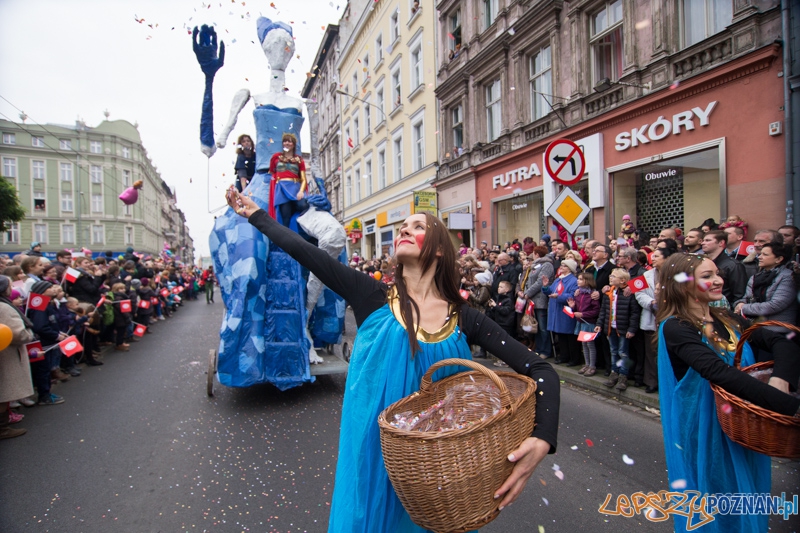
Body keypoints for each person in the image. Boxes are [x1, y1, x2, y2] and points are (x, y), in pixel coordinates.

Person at [226, 189, 560, 532]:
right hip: (374, 467)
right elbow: (306, 252)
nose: (403, 229)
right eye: (402, 226)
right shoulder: (371, 298)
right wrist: (256, 215)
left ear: (440, 249)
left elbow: (541, 370)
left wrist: (542, 439)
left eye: (416, 226)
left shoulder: (465, 320)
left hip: (438, 482)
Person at [655, 254, 800, 533]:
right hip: (705, 430)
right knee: (717, 496)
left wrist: (781, 381)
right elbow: (719, 373)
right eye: (706, 276)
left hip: (745, 423)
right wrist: (787, 406)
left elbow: (785, 344)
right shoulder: (676, 327)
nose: (718, 280)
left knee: (746, 489)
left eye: (717, 273)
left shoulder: (731, 318)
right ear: (683, 285)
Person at [634, 240, 679, 393]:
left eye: (657, 256)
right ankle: (651, 381)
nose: (653, 259)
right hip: (651, 316)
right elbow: (638, 293)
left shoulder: (677, 274)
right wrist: (651, 302)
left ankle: (669, 382)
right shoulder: (645, 274)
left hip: (672, 317)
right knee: (651, 352)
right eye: (652, 256)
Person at [0, 276, 36, 439]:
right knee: (5, 391)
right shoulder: (4, 307)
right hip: (7, 354)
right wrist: (29, 334)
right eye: (9, 285)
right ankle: (2, 428)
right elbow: (17, 333)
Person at [733, 242, 797, 332]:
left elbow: (775, 305)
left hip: (778, 329)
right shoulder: (756, 277)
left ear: (778, 259)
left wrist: (744, 307)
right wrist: (739, 304)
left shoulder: (787, 277)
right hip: (755, 328)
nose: (759, 257)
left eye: (765, 255)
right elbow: (747, 298)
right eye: (760, 254)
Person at [595, 268, 641, 391]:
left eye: (613, 276)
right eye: (610, 275)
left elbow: (634, 313)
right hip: (611, 328)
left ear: (622, 280)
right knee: (613, 351)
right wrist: (600, 323)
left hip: (623, 328)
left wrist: (632, 329)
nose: (610, 277)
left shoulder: (628, 294)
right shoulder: (608, 293)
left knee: (623, 352)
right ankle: (614, 373)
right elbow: (603, 311)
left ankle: (623, 376)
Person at [542, 259, 580, 365]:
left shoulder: (573, 280)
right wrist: (545, 287)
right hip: (556, 310)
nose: (561, 267)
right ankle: (564, 356)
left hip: (565, 311)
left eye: (565, 265)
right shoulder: (558, 280)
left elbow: (573, 295)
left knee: (570, 336)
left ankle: (574, 358)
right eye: (561, 265)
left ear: (570, 268)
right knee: (561, 335)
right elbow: (551, 291)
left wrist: (559, 296)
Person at [268, 133, 308, 227]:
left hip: (295, 188)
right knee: (285, 217)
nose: (287, 143)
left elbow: (303, 178)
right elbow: (272, 173)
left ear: (293, 144)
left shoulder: (299, 160)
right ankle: (285, 239)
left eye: (289, 141)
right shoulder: (276, 157)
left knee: (303, 206)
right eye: (285, 141)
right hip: (282, 189)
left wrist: (301, 191)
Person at [522, 246, 554, 358]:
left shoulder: (547, 265)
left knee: (543, 328)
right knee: (537, 328)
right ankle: (539, 348)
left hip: (541, 300)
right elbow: (529, 281)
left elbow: (540, 281)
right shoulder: (535, 265)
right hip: (532, 300)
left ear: (536, 254)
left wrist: (528, 293)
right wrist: (526, 292)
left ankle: (546, 351)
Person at [701, 230, 747, 305]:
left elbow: (739, 294)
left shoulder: (733, 265)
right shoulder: (704, 263)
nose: (703, 243)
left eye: (708, 240)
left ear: (721, 243)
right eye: (703, 240)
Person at [567, 272, 599, 375]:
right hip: (581, 322)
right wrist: (573, 307)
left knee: (590, 345)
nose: (578, 280)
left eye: (581, 279)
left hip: (588, 323)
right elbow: (577, 308)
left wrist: (583, 314)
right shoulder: (579, 293)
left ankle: (592, 366)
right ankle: (586, 364)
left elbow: (596, 310)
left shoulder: (591, 294)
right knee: (584, 345)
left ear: (587, 281)